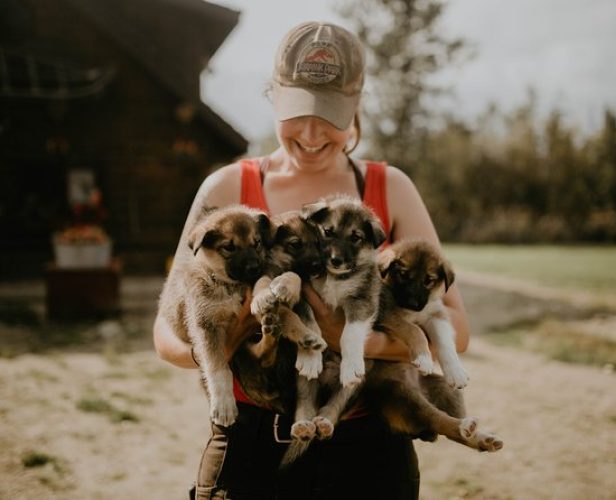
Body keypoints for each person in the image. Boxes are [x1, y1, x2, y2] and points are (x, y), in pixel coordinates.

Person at [153, 20, 471, 500]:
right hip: (253, 448)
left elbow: (457, 328)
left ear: (357, 103)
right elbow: (164, 333)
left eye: (330, 114)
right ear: (272, 96)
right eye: (295, 111)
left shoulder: (391, 189)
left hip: (369, 454)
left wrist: (349, 340)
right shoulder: (227, 190)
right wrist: (223, 344)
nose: (310, 132)